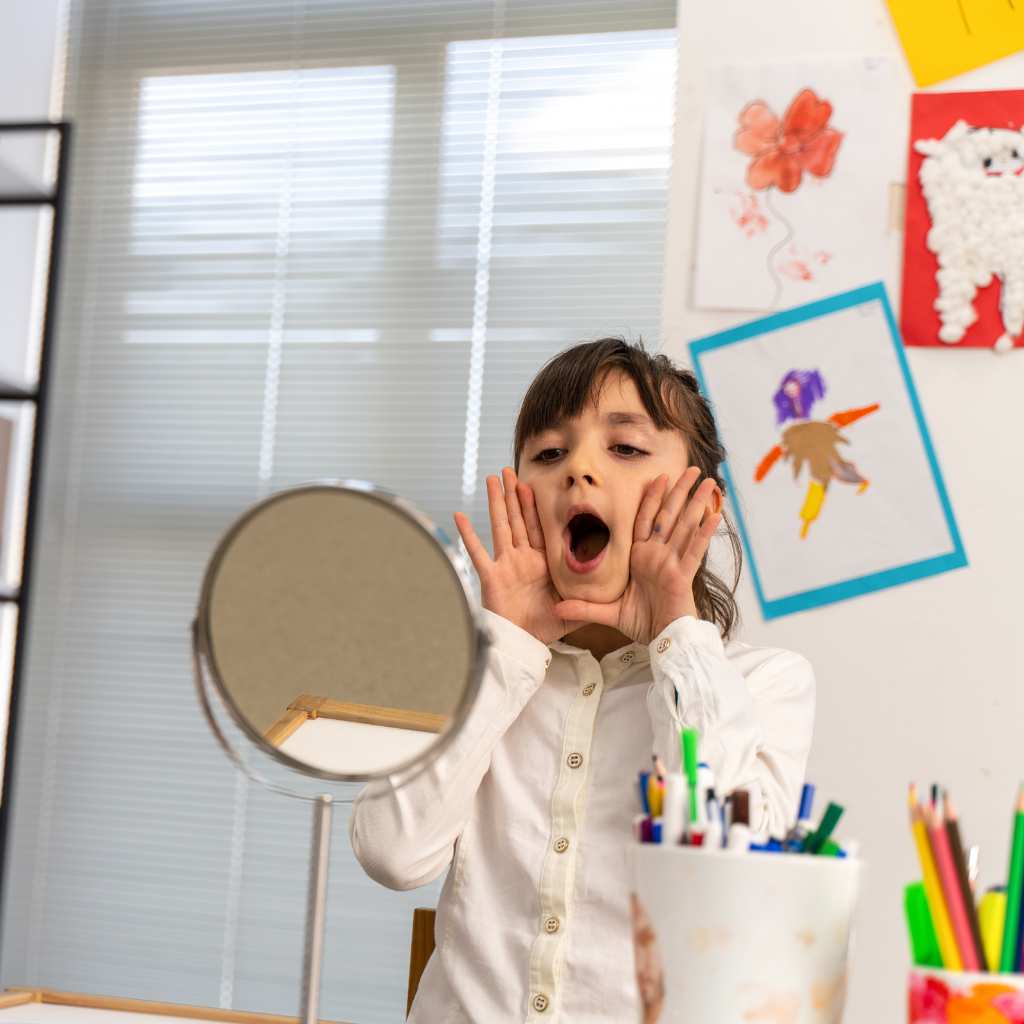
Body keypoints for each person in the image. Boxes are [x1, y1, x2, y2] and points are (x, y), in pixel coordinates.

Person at [349, 337, 815, 1023]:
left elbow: (722, 876)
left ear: (702, 505)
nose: (579, 470)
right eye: (547, 454)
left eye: (625, 447)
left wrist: (675, 630)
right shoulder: (476, 668)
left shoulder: (767, 682)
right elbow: (393, 854)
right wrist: (506, 649)